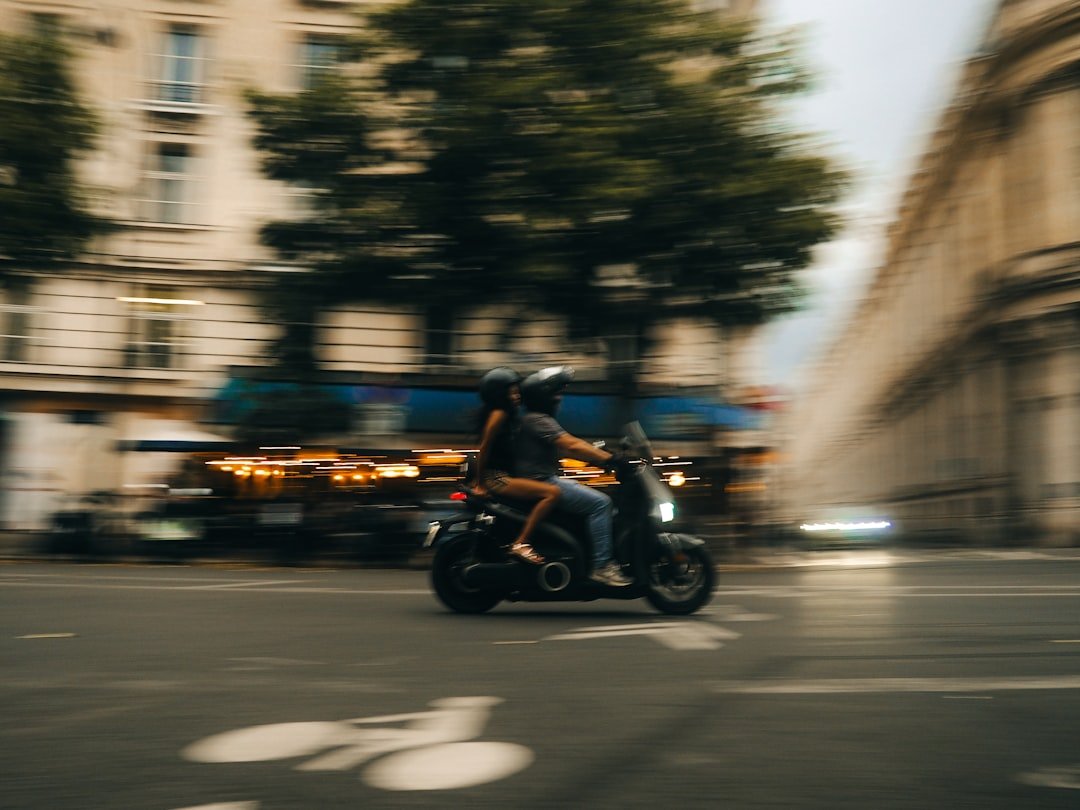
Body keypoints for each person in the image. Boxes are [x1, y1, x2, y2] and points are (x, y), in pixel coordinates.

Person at [515, 366, 632, 587]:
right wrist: (610, 460)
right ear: (543, 397)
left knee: (596, 500)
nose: (559, 400)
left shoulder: (535, 420)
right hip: (541, 482)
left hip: (543, 480)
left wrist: (599, 459)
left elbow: (569, 449)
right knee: (601, 504)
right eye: (556, 395)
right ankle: (601, 566)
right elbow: (570, 444)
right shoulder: (538, 420)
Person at [468, 366, 561, 565]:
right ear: (499, 394)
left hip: (500, 475)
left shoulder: (508, 417)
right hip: (496, 478)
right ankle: (521, 543)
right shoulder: (499, 413)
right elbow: (483, 447)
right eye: (512, 392)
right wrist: (480, 483)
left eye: (517, 391)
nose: (517, 396)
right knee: (551, 493)